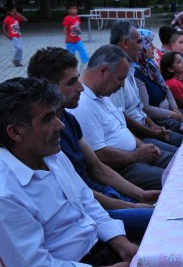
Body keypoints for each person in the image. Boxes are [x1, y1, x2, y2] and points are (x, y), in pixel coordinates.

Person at [0, 77, 137, 267]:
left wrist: (122, 243)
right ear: (15, 132)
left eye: (56, 114)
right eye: (47, 118)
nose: (60, 125)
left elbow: (87, 203)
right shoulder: (2, 197)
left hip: (99, 254)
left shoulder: (53, 157)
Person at [27, 47, 158, 241]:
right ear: (47, 88)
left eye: (77, 78)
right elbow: (78, 194)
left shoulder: (67, 120)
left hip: (103, 198)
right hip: (90, 211)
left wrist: (141, 194)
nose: (81, 87)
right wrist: (132, 206)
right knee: (162, 220)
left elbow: (97, 168)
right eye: (71, 82)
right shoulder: (43, 136)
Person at [69, 45, 173, 191]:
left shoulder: (101, 94)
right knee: (175, 179)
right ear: (103, 71)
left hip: (135, 155)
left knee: (181, 161)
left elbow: (121, 128)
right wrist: (136, 156)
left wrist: (141, 146)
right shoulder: (83, 105)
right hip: (122, 168)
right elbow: (99, 155)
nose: (122, 85)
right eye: (120, 79)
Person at [108, 21, 183, 149]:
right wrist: (152, 131)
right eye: (139, 42)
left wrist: (153, 125)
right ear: (126, 43)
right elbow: (123, 119)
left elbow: (139, 108)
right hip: (138, 137)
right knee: (181, 149)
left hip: (148, 127)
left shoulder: (132, 69)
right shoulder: (116, 74)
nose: (141, 47)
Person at [135, 32, 183, 134]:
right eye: (149, 45)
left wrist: (175, 108)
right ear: (140, 48)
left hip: (170, 110)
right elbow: (146, 108)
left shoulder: (150, 66)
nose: (154, 47)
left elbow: (166, 89)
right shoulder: (136, 74)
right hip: (158, 120)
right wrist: (171, 114)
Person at [62, 5, 90, 70]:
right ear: (68, 10)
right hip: (70, 40)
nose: (75, 10)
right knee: (71, 53)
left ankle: (85, 62)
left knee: (82, 50)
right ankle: (70, 64)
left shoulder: (77, 17)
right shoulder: (67, 18)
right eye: (73, 9)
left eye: (76, 9)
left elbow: (78, 26)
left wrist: (79, 32)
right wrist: (67, 37)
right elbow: (65, 28)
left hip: (77, 39)